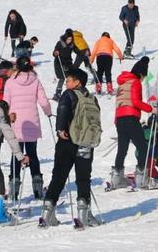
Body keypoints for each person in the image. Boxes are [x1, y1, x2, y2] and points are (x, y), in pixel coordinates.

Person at [40, 68, 102, 228]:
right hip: (85, 143)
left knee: (59, 177)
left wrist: (60, 129)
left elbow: (62, 110)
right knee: (83, 178)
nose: (66, 82)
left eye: (69, 80)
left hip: (66, 141)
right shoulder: (92, 99)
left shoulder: (68, 94)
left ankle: (47, 214)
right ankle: (84, 215)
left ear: (77, 82)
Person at [4, 57, 52, 200]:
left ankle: (14, 190)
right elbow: (43, 101)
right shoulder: (35, 80)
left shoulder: (10, 82)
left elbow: (6, 102)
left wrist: (6, 117)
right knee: (32, 154)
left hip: (16, 122)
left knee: (16, 154)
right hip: (32, 123)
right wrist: (48, 112)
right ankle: (37, 189)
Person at [111, 57, 157, 189]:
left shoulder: (122, 83)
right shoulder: (135, 82)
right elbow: (136, 102)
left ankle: (117, 178)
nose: (143, 81)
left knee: (122, 148)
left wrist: (116, 120)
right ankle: (141, 177)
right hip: (131, 117)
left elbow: (119, 103)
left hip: (120, 119)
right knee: (142, 147)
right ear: (141, 74)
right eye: (144, 77)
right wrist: (151, 109)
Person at [52, 30, 77, 101]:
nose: (69, 41)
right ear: (65, 38)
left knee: (71, 77)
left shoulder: (72, 45)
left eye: (71, 39)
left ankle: (71, 92)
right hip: (59, 63)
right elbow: (54, 52)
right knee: (62, 78)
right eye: (68, 39)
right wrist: (55, 52)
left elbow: (77, 50)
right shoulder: (60, 43)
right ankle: (58, 93)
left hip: (68, 63)